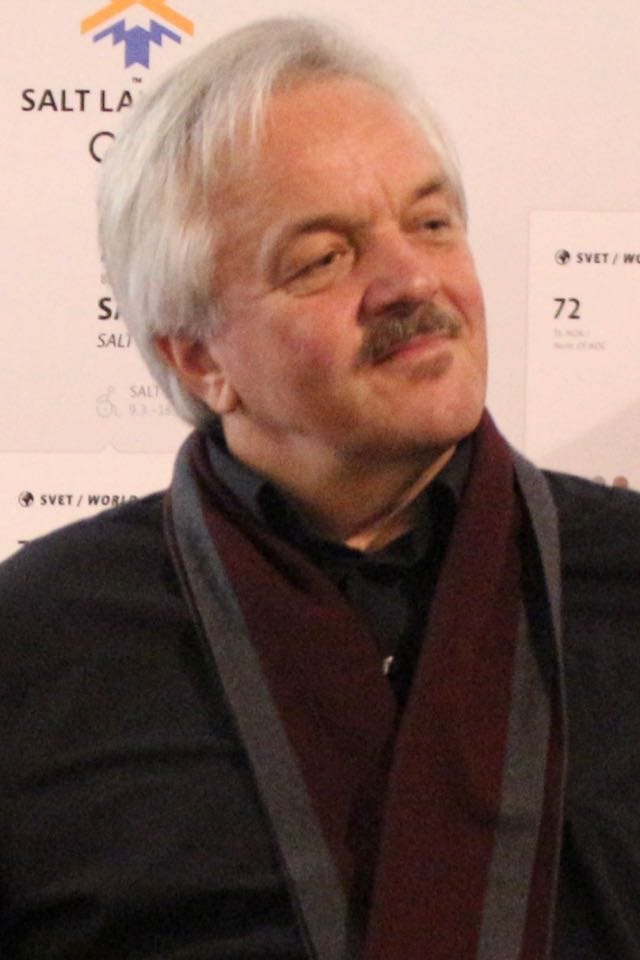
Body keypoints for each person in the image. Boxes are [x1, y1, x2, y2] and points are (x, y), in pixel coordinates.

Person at [1, 16, 639, 960]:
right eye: (323, 258)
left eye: (430, 223)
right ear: (200, 359)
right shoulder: (36, 645)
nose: (411, 279)